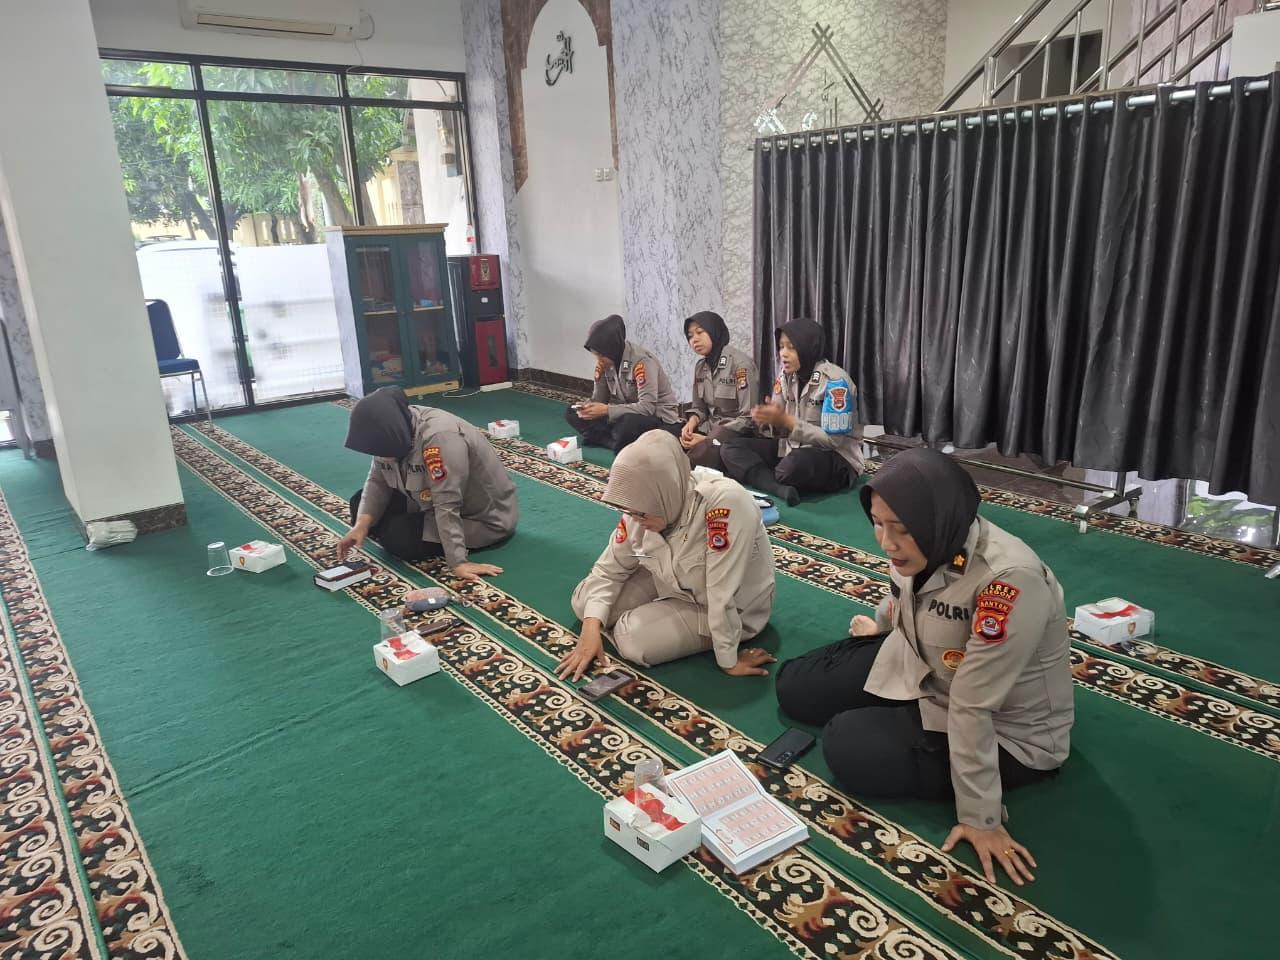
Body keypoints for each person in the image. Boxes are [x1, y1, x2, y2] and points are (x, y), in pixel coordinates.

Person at [774, 448, 1073, 887]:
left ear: (939, 518)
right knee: (795, 686)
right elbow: (904, 598)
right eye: (878, 523)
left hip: (1005, 729)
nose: (886, 542)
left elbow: (973, 703)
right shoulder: (925, 540)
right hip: (924, 667)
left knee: (847, 745)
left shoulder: (1008, 581)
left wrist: (981, 817)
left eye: (901, 528)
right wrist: (879, 630)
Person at [557, 430, 777, 681]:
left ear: (665, 492)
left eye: (642, 513)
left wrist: (729, 659)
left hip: (727, 606)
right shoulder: (643, 505)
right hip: (673, 582)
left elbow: (722, 590)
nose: (636, 520)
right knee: (585, 602)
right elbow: (609, 570)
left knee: (633, 641)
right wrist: (589, 630)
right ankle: (651, 616)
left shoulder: (724, 504)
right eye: (631, 511)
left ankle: (651, 620)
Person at [338, 387, 517, 580]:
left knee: (397, 538)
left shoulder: (440, 437)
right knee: (359, 505)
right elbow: (377, 479)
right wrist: (361, 525)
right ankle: (392, 525)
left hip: (479, 517)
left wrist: (458, 562)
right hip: (426, 499)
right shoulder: (393, 427)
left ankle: (399, 528)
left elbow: (447, 503)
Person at [719, 317, 862, 506]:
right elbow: (778, 423)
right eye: (781, 347)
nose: (783, 354)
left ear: (808, 347)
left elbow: (833, 441)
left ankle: (768, 479)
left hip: (835, 458)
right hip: (792, 448)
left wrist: (787, 421)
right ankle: (778, 487)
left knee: (792, 466)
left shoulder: (836, 382)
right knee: (730, 448)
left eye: (791, 347)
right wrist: (768, 419)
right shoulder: (786, 376)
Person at [564, 314, 681, 452]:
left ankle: (605, 438)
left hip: (658, 418)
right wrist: (587, 408)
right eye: (595, 355)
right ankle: (612, 441)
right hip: (626, 412)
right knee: (571, 412)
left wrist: (607, 410)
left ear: (612, 348)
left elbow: (647, 408)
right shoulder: (605, 363)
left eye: (601, 355)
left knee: (627, 424)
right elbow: (599, 399)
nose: (598, 360)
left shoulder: (642, 362)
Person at [678, 310, 759, 470]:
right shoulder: (701, 367)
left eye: (700, 332)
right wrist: (692, 422)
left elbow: (749, 418)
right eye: (690, 336)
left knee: (699, 455)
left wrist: (707, 440)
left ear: (714, 331)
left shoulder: (740, 365)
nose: (694, 340)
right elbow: (699, 408)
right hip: (711, 428)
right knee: (673, 440)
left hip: (736, 432)